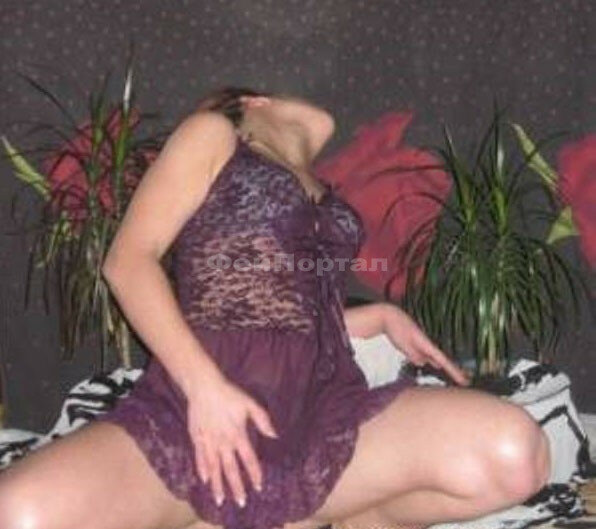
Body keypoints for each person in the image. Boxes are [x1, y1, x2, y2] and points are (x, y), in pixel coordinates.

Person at [0, 86, 551, 529]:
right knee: (18, 513)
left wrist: (377, 316)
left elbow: (279, 312)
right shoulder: (215, 132)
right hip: (201, 411)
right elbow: (128, 261)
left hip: (323, 415)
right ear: (253, 102)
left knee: (516, 453)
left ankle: (337, 515)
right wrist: (206, 391)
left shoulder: (327, 192)